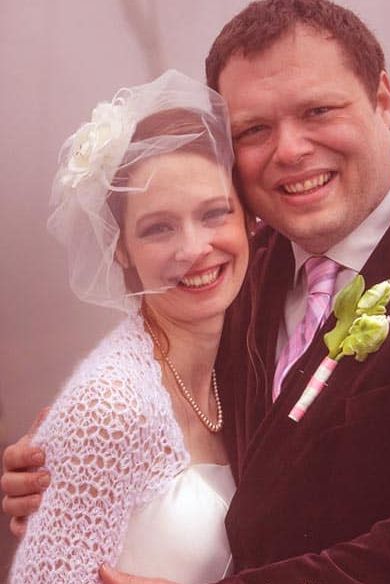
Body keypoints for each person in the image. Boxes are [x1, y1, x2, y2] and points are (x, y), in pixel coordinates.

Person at [3, 1, 390, 582]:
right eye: (255, 129)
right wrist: (81, 451)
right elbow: (182, 400)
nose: (290, 150)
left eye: (317, 110)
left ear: (382, 100)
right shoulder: (239, 266)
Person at [7, 69, 251, 583]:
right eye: (158, 227)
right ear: (121, 248)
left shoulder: (243, 358)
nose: (193, 249)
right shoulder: (113, 404)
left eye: (213, 214)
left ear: (247, 219)